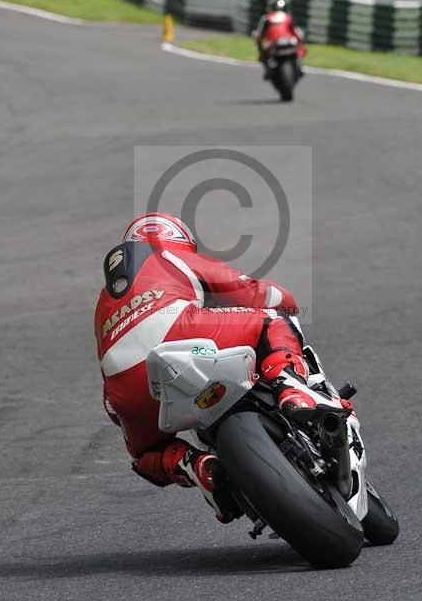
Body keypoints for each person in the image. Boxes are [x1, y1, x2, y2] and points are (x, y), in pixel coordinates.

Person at [94, 212, 345, 522]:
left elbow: (108, 379)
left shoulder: (104, 301)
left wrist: (125, 411)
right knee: (271, 320)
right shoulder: (167, 254)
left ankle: (191, 465)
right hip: (178, 328)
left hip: (125, 383)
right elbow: (249, 289)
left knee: (145, 455)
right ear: (179, 238)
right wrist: (288, 302)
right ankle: (290, 386)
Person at [255, 0, 306, 79]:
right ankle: (300, 67)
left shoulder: (266, 18)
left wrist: (261, 51)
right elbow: (297, 33)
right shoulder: (288, 17)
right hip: (289, 41)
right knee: (299, 48)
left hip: (274, 43)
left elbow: (259, 36)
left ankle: (268, 71)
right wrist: (302, 47)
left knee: (263, 54)